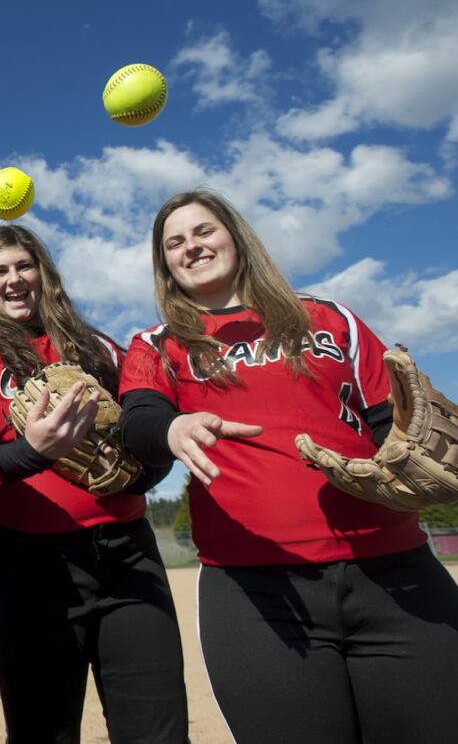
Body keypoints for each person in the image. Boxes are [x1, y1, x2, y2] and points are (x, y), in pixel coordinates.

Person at [118, 190, 458, 743]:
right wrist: (172, 427)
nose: (192, 247)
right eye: (174, 243)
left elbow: (386, 423)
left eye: (204, 231)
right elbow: (140, 418)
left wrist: (406, 462)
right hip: (259, 591)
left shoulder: (330, 318)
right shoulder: (158, 344)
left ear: (236, 236)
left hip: (395, 571)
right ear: (165, 266)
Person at [0, 225, 187, 743]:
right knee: (42, 733)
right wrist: (36, 452)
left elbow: (149, 431)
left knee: (157, 732)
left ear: (44, 274)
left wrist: (139, 477)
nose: (14, 280)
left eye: (24, 266)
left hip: (127, 557)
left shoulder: (95, 346)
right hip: (29, 566)